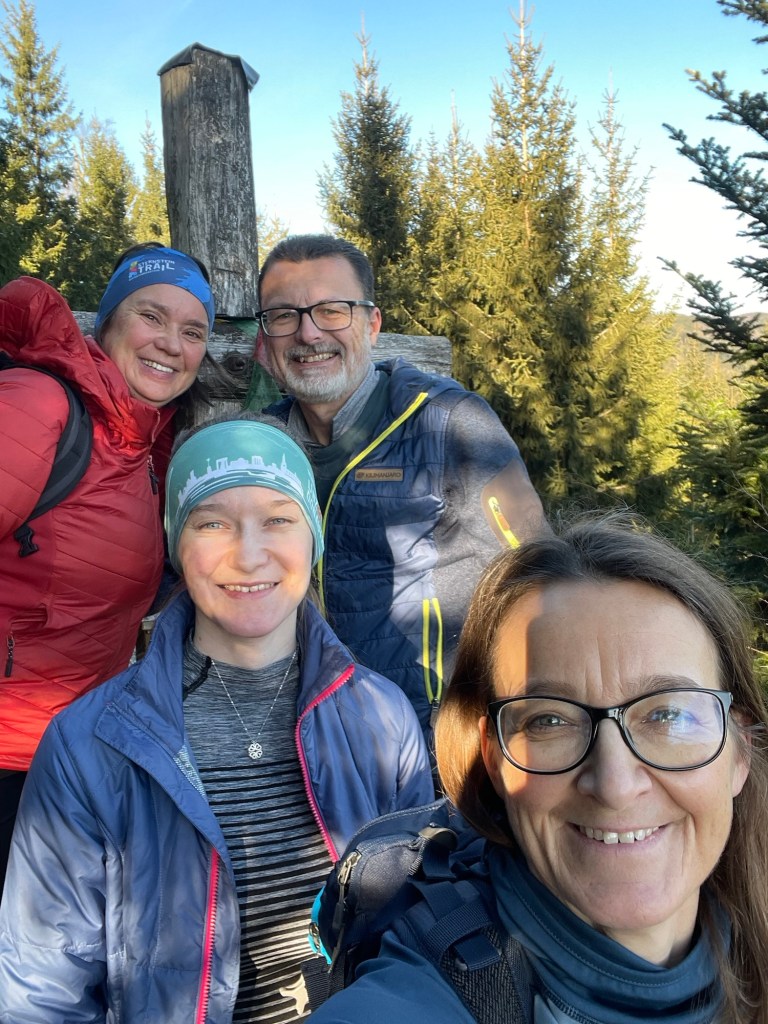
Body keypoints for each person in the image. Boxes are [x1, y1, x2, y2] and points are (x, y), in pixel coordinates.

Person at [0, 415, 433, 1024]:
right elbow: (42, 993)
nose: (249, 555)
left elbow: (416, 930)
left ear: (313, 535)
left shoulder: (381, 717)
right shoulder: (90, 745)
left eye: (278, 519)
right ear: (177, 545)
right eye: (212, 523)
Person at [307, 516, 768, 1024]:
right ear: (493, 758)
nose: (615, 786)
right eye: (550, 720)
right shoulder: (416, 996)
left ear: (739, 752)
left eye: (667, 715)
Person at [248, 234, 547, 735]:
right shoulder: (260, 446)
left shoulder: (450, 423)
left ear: (372, 324)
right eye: (283, 316)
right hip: (304, 738)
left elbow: (538, 577)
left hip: (435, 739)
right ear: (265, 336)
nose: (308, 333)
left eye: (332, 311)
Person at [0, 242, 216, 893]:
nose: (171, 344)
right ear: (108, 323)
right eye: (152, 316)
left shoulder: (141, 446)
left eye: (194, 331)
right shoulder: (40, 406)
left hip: (67, 759)